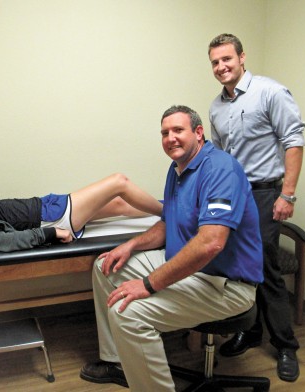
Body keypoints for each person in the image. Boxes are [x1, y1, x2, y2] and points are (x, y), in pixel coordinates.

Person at [79, 105, 263, 391]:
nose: (170, 138)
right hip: (189, 266)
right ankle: (119, 363)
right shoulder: (177, 169)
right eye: (165, 133)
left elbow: (211, 243)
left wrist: (148, 284)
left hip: (225, 284)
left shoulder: (221, 169)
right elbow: (169, 222)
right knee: (106, 266)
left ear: (198, 133)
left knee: (128, 314)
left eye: (178, 130)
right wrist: (130, 245)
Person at [208, 33, 305, 382]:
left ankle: (286, 346)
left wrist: (287, 195)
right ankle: (250, 332)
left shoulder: (270, 92)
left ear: (242, 58)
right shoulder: (216, 107)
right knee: (236, 264)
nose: (221, 67)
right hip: (232, 196)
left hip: (265, 194)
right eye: (215, 62)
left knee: (264, 266)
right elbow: (220, 156)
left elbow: (293, 140)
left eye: (227, 60)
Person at [0, 173, 163, 253]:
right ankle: (172, 213)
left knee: (117, 204)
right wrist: (50, 233)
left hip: (50, 205)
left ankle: (170, 209)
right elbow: (2, 241)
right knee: (119, 183)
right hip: (53, 218)